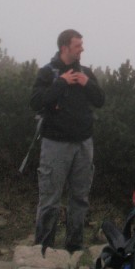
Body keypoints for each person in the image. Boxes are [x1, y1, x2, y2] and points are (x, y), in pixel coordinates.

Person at [30, 29, 105, 253]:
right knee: (50, 199)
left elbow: (101, 100)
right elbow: (35, 102)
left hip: (84, 144)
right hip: (55, 144)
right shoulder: (48, 73)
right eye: (77, 45)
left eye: (81, 45)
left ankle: (74, 248)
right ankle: (43, 249)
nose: (82, 49)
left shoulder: (86, 73)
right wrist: (61, 83)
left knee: (80, 198)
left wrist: (86, 83)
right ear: (65, 48)